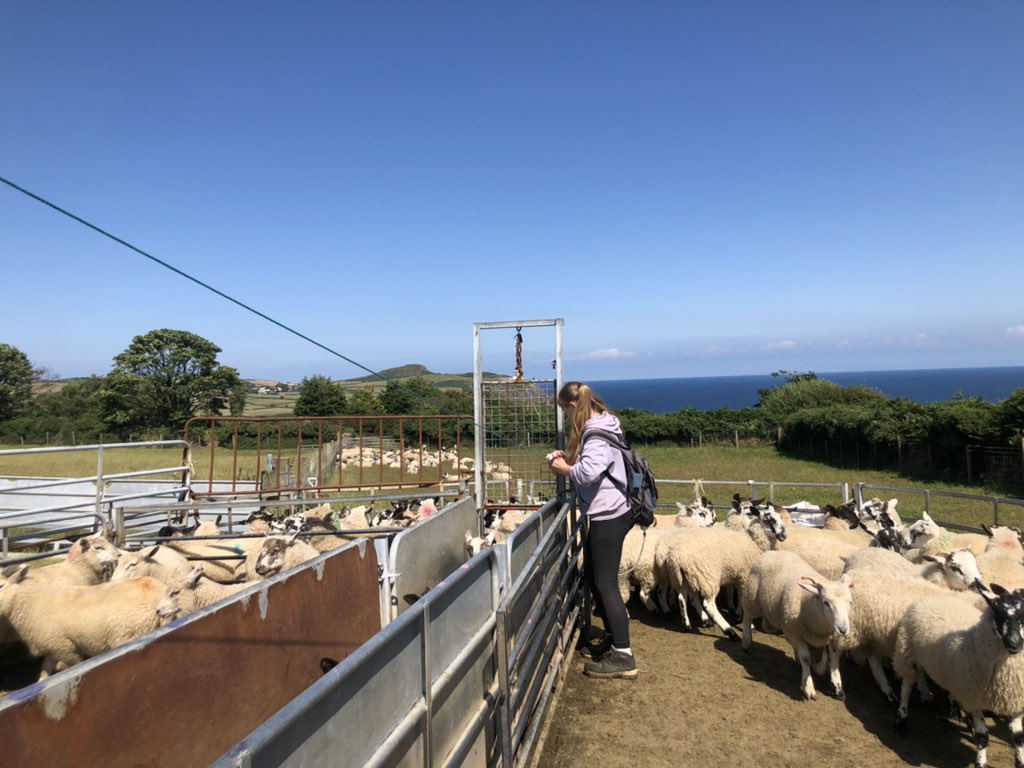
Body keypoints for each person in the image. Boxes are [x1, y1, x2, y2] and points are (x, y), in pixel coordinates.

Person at [548, 381, 637, 680]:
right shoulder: (605, 424)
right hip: (610, 510)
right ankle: (614, 642)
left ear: (572, 407)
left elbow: (589, 473)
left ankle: (624, 656)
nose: (565, 417)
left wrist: (564, 469)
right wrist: (572, 461)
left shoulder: (595, 433)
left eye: (564, 411)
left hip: (609, 513)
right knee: (594, 578)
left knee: (605, 582)